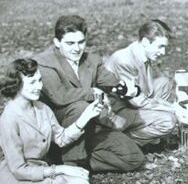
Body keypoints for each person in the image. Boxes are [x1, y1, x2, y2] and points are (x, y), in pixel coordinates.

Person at [0, 59, 103, 184]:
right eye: (31, 82)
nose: (38, 86)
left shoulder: (42, 108)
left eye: (39, 80)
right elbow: (18, 169)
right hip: (17, 179)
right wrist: (61, 169)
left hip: (42, 172)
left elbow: (61, 138)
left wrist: (86, 116)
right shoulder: (9, 118)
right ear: (16, 85)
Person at [34, 15, 145, 172]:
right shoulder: (44, 62)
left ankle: (74, 161)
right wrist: (92, 92)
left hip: (90, 126)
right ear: (57, 42)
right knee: (80, 107)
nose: (77, 48)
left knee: (134, 158)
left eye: (81, 42)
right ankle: (72, 163)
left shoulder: (92, 60)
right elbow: (60, 97)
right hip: (59, 131)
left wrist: (128, 89)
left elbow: (111, 82)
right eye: (70, 43)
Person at [104, 19, 188, 146]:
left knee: (163, 83)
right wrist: (173, 109)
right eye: (160, 46)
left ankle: (155, 136)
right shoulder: (124, 60)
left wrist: (173, 107)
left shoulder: (142, 53)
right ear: (145, 42)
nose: (163, 52)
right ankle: (123, 142)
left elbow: (146, 94)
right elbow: (138, 101)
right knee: (168, 121)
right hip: (117, 112)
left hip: (131, 102)